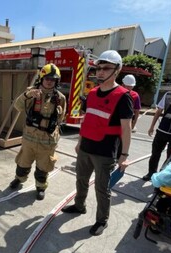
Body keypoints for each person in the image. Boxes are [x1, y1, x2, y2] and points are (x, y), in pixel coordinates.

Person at [61, 50, 133, 236]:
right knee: (81, 180)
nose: (100, 72)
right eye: (99, 68)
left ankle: (102, 220)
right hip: (86, 147)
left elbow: (126, 129)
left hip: (105, 151)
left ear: (117, 70)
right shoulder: (92, 93)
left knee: (102, 188)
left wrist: (124, 156)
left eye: (106, 68)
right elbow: (87, 120)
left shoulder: (123, 96)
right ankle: (79, 206)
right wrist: (80, 141)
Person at [8, 63, 67, 200]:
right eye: (47, 78)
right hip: (30, 137)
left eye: (53, 79)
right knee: (23, 162)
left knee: (43, 166)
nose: (49, 81)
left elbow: (61, 117)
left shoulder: (60, 98)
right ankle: (19, 179)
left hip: (47, 140)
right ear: (41, 78)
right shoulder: (31, 92)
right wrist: (27, 95)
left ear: (56, 81)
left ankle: (40, 187)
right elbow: (17, 106)